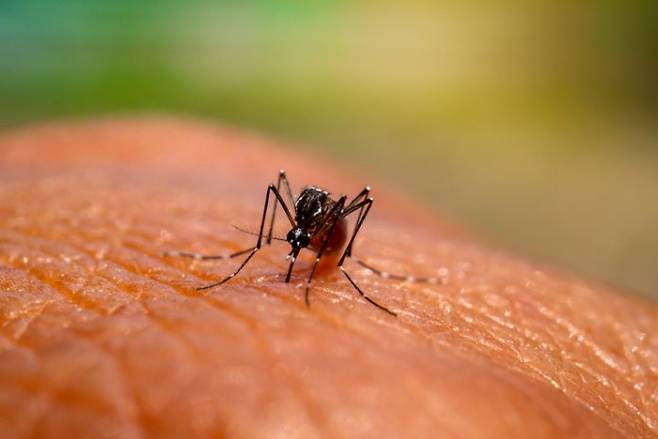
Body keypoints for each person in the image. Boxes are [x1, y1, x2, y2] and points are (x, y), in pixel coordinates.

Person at [0, 117, 654, 437]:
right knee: (273, 181)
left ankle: (357, 273)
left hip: (335, 233)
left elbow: (335, 213)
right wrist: (256, 252)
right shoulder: (292, 211)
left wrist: (338, 262)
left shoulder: (323, 223)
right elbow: (285, 202)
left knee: (333, 200)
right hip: (314, 219)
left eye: (293, 241)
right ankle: (254, 260)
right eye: (293, 242)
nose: (292, 248)